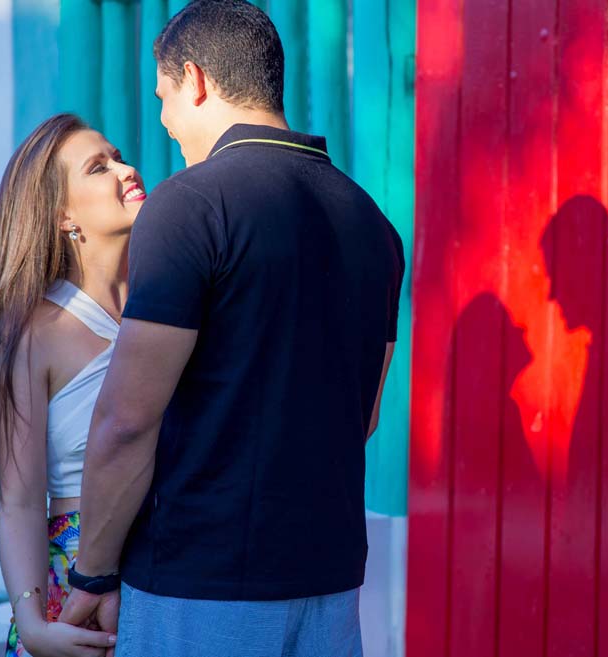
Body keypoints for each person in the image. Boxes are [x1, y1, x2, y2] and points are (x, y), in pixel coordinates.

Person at [57, 2, 404, 656]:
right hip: (329, 586)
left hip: (203, 584)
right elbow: (364, 415)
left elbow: (127, 419)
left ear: (194, 80)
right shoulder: (374, 226)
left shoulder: (188, 205)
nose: (162, 120)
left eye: (163, 97)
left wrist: (94, 570)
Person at [0, 113, 143, 656]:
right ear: (63, 214)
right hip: (76, 590)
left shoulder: (170, 302)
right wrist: (33, 622)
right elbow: (17, 501)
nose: (126, 169)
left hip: (177, 571)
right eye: (98, 166)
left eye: (118, 155)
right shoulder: (36, 331)